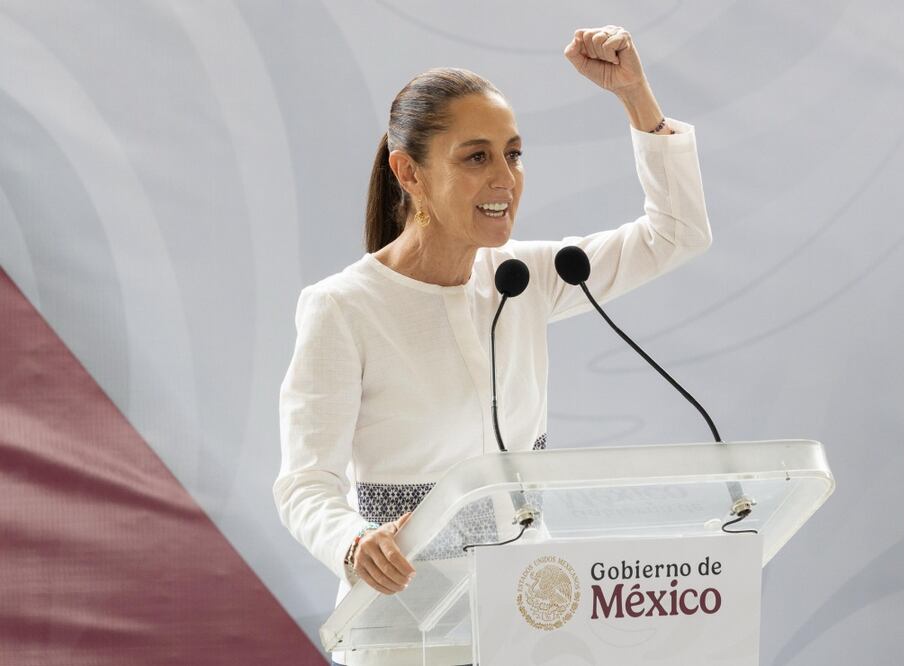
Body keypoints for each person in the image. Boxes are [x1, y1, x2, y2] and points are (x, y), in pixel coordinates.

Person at [274, 25, 712, 666]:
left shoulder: (527, 278)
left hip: (529, 616)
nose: (505, 178)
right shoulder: (343, 307)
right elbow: (305, 483)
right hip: (408, 629)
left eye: (514, 154)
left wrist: (635, 95)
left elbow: (677, 234)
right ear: (409, 172)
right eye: (476, 157)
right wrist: (353, 542)